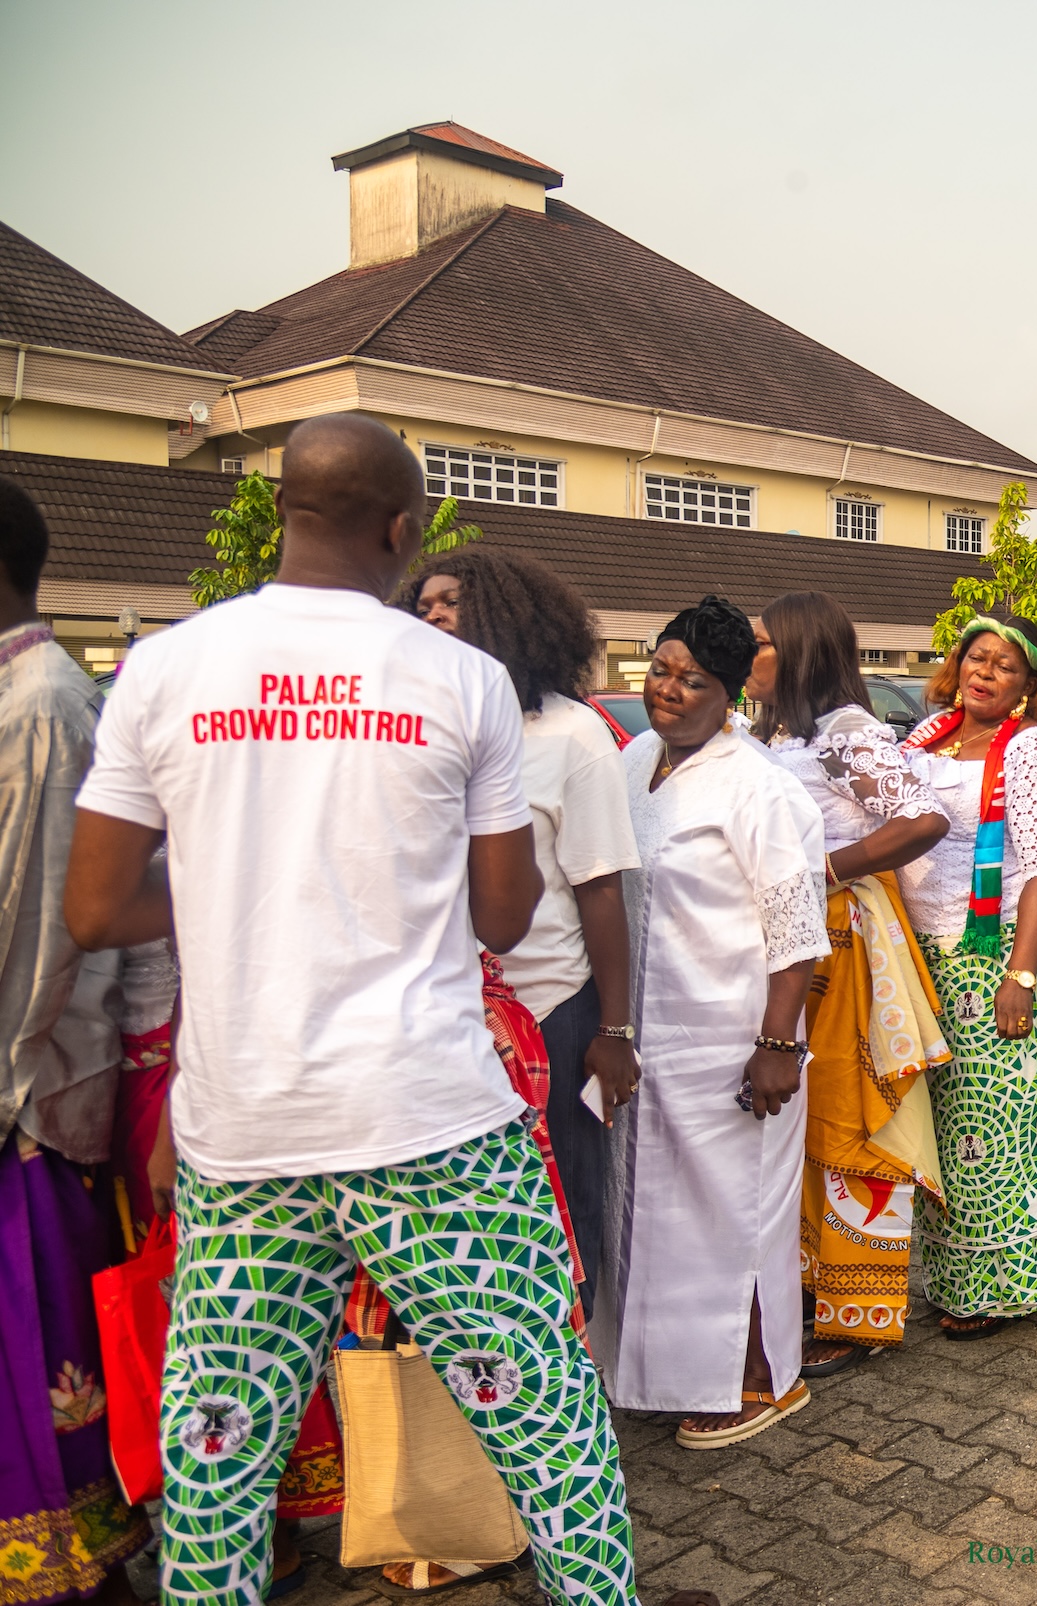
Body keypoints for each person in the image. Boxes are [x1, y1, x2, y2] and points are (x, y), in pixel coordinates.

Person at [63, 415, 637, 1602]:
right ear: (400, 528)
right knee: (548, 1424)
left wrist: (240, 885)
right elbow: (498, 917)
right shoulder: (464, 679)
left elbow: (98, 905)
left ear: (280, 512)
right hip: (433, 1125)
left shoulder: (163, 669)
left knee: (220, 1459)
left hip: (246, 1132)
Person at [611, 597, 829, 1449]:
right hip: (646, 1031)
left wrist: (778, 1045)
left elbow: (796, 930)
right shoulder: (634, 760)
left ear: (730, 694)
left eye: (691, 681)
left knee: (735, 1216)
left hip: (736, 1036)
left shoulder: (760, 788)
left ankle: (761, 1380)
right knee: (659, 1217)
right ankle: (668, 1373)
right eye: (659, 672)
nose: (668, 691)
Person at [414, 549, 640, 1310]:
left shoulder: (574, 735)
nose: (434, 614)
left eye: (453, 601)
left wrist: (615, 1028)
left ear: (511, 616)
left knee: (566, 1204)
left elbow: (601, 888)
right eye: (425, 605)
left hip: (553, 1009)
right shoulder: (416, 729)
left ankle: (575, 1388)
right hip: (446, 1018)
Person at [0, 477, 143, 1606]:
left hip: (26, 1090)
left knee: (39, 1341)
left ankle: (73, 1563)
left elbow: (37, 928)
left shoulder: (42, 701)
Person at [746, 592, 950, 1373]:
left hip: (843, 942)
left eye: (762, 643)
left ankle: (858, 1310)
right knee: (796, 1122)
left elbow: (921, 819)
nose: (748, 654)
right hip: (792, 945)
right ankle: (805, 1286)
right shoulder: (775, 732)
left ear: (797, 650)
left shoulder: (846, 732)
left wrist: (823, 869)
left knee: (847, 1115)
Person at [897, 617, 1037, 1338]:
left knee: (994, 1116)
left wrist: (1023, 976)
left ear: (1028, 685)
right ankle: (951, 1276)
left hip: (999, 946)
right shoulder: (922, 738)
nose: (985, 672)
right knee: (944, 1120)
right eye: (977, 657)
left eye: (1005, 666)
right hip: (925, 950)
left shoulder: (1033, 749)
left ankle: (1006, 1284)